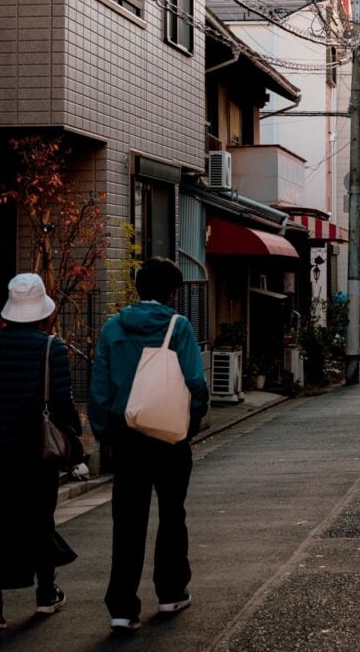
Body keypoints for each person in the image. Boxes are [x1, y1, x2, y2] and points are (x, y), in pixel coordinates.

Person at [88, 257, 209, 632]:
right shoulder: (179, 326)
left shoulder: (112, 328)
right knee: (172, 514)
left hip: (126, 436)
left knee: (127, 520)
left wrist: (105, 433)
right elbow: (196, 383)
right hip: (170, 437)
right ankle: (171, 591)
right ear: (170, 292)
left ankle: (122, 607)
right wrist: (189, 425)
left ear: (138, 288)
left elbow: (99, 388)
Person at [0, 272, 82, 632]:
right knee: (38, 518)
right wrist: (75, 442)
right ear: (44, 313)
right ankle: (46, 593)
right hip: (36, 452)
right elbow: (61, 402)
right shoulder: (52, 348)